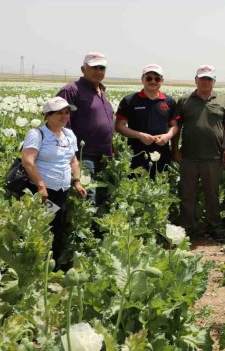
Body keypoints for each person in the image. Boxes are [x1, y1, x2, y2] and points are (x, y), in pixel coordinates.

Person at [21, 97, 87, 268]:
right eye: (60, 113)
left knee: (58, 227)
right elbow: (28, 161)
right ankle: (36, 264)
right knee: (41, 227)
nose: (65, 116)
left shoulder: (69, 134)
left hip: (62, 189)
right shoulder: (37, 134)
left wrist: (77, 181)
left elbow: (73, 161)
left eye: (67, 113)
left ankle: (53, 264)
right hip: (43, 190)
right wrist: (41, 186)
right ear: (47, 115)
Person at [171, 64, 225, 241]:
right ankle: (187, 227)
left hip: (214, 157)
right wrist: (175, 149)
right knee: (187, 194)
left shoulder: (223, 100)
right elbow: (176, 126)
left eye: (209, 79)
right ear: (196, 80)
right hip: (189, 157)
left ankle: (214, 227)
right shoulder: (184, 100)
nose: (205, 82)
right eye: (202, 78)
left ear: (214, 81)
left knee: (212, 194)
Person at [57, 52, 114, 206]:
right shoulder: (71, 91)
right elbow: (60, 124)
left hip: (104, 155)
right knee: (87, 198)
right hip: (83, 155)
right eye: (94, 67)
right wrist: (70, 155)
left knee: (102, 198)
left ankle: (96, 229)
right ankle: (82, 228)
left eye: (102, 68)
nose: (99, 71)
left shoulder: (101, 92)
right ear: (83, 69)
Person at [115, 64, 179, 178]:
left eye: (157, 78)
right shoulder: (129, 100)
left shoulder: (169, 101)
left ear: (162, 80)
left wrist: (167, 136)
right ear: (142, 80)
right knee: (136, 187)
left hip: (162, 153)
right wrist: (140, 136)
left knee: (160, 187)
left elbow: (175, 126)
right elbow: (119, 126)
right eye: (149, 78)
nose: (153, 81)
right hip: (136, 153)